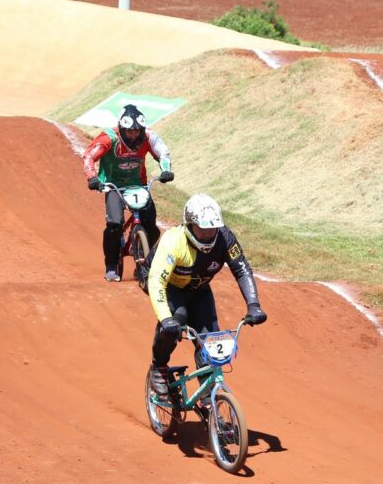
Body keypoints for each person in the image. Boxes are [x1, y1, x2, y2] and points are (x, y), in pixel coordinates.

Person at [145, 194, 267, 396]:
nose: (208, 234)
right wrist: (166, 319)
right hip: (167, 284)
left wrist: (253, 305)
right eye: (202, 229)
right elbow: (157, 280)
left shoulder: (225, 238)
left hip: (198, 288)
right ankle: (159, 367)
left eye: (212, 228)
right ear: (189, 226)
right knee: (177, 319)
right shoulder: (174, 241)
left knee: (210, 339)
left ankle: (208, 394)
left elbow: (242, 270)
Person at [83, 104, 175, 282]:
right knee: (114, 224)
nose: (133, 135)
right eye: (129, 131)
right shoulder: (109, 138)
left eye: (137, 131)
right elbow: (89, 156)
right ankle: (111, 265)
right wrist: (92, 178)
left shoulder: (148, 137)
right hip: (112, 186)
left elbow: (163, 152)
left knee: (151, 226)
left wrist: (166, 170)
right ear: (122, 129)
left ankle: (139, 250)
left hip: (138, 185)